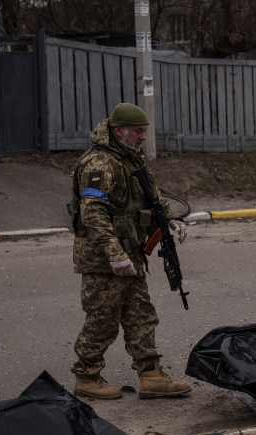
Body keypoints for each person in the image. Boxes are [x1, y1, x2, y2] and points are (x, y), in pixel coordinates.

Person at [69, 103, 190, 400]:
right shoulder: (99, 163)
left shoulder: (129, 159)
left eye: (145, 132)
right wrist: (114, 254)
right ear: (119, 130)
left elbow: (153, 195)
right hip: (103, 258)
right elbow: (93, 213)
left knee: (141, 314)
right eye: (138, 131)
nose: (142, 137)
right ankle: (86, 376)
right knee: (103, 318)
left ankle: (151, 375)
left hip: (131, 251)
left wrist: (171, 217)